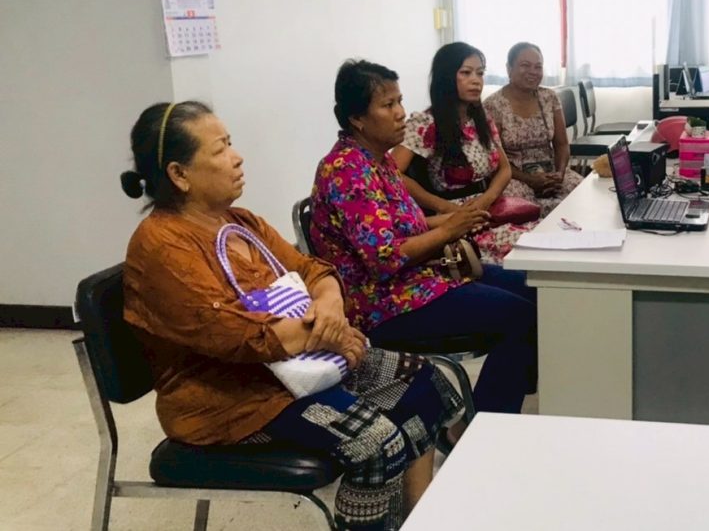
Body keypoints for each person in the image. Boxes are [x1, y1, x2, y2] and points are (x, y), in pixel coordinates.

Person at [120, 101, 463, 530]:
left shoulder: (240, 222)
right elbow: (242, 337)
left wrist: (330, 309)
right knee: (377, 443)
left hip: (296, 365)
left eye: (231, 143)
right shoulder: (162, 246)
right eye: (220, 149)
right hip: (232, 403)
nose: (237, 157)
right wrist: (331, 332)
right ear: (179, 174)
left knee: (423, 384)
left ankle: (415, 519)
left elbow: (314, 270)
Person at [309, 59, 538, 420]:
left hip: (421, 278)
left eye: (400, 101)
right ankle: (483, 424)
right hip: (384, 303)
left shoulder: (378, 160)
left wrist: (453, 220)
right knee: (519, 316)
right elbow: (384, 258)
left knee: (535, 286)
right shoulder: (347, 170)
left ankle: (508, 394)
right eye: (388, 105)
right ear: (357, 118)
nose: (401, 113)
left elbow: (403, 226)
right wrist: (448, 230)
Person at [393, 42, 533, 263]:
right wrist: (441, 205)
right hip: (456, 218)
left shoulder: (481, 118)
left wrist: (487, 198)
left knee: (540, 237)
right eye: (466, 73)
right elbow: (392, 173)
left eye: (480, 73)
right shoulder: (425, 123)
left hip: (490, 207)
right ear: (447, 77)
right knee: (526, 250)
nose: (476, 80)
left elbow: (504, 168)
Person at [483, 42, 582, 215]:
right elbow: (495, 160)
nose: (533, 72)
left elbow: (561, 144)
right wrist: (530, 180)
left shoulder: (549, 97)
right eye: (525, 65)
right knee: (522, 209)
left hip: (551, 173)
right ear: (509, 68)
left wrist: (559, 173)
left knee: (583, 196)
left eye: (538, 67)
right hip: (514, 177)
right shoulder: (493, 105)